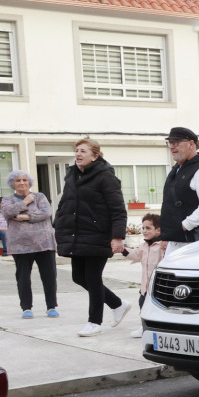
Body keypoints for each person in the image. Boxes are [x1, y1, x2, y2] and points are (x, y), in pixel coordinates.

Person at [53, 138, 129, 337]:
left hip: (98, 234)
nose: (78, 154)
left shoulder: (105, 177)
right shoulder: (72, 176)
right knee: (78, 277)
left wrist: (118, 236)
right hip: (77, 235)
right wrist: (58, 226)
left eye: (83, 151)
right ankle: (117, 304)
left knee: (93, 277)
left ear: (95, 155)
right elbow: (65, 205)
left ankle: (94, 322)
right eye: (77, 150)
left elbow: (118, 209)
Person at [0, 170, 59, 319]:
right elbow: (7, 212)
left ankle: (51, 306)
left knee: (49, 276)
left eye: (24, 180)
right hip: (21, 245)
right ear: (13, 184)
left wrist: (23, 216)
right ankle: (26, 308)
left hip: (44, 243)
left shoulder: (39, 197)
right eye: (18, 180)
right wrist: (24, 202)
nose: (21, 183)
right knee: (23, 277)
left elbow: (46, 213)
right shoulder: (8, 199)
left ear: (29, 182)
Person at [160, 127, 199, 254]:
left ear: (191, 144)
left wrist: (185, 225)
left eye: (176, 142)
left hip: (194, 241)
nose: (172, 147)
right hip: (177, 240)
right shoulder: (178, 169)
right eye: (170, 143)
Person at [122, 213, 166, 339]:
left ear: (158, 230)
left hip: (158, 286)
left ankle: (160, 327)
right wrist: (123, 250)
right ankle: (144, 327)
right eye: (143, 228)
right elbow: (135, 255)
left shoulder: (162, 246)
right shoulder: (143, 246)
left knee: (159, 307)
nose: (144, 231)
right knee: (142, 304)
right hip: (145, 286)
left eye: (148, 228)